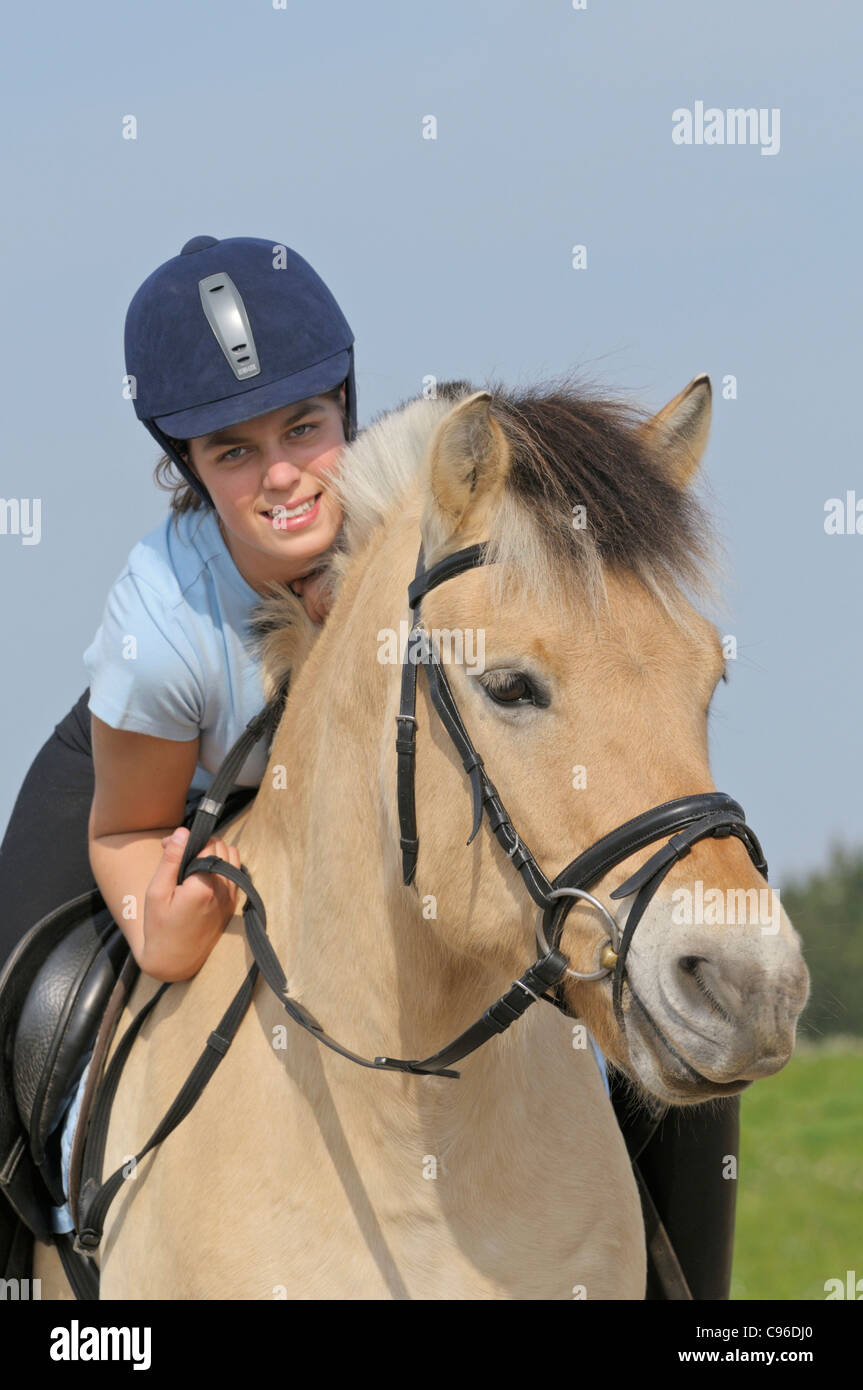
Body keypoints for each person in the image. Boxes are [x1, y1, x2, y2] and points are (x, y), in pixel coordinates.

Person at [0, 234, 356, 979]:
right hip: (145, 794)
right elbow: (126, 830)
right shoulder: (160, 629)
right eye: (234, 453)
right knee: (17, 996)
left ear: (345, 408)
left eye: (302, 427)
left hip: (320, 805)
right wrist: (155, 936)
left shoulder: (408, 513)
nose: (284, 474)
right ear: (185, 463)